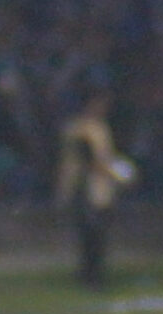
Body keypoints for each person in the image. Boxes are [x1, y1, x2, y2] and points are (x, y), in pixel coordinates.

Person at [55, 86, 135, 290]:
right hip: (85, 188)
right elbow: (90, 160)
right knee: (92, 235)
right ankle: (91, 277)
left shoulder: (96, 128)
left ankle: (92, 275)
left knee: (96, 235)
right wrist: (120, 175)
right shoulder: (81, 130)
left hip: (97, 189)